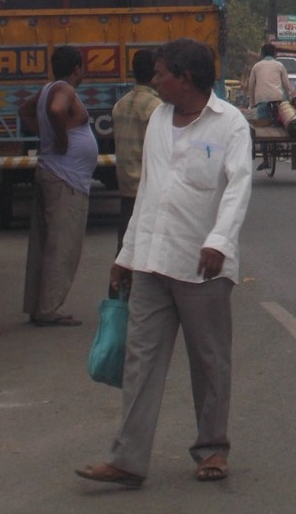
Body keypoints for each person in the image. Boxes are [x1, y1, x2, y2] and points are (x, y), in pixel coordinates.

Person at [76, 38, 253, 490]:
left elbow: (238, 188)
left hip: (203, 266)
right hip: (153, 262)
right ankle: (128, 460)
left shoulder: (229, 124)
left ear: (185, 78)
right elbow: (150, 194)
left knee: (209, 361)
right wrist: (126, 256)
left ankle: (212, 448)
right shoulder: (158, 117)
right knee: (140, 362)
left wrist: (219, 241)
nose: (154, 81)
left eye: (160, 74)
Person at [22, 45, 98, 327]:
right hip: (65, 178)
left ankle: (38, 305)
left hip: (53, 172)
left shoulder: (47, 88)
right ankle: (49, 309)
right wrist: (61, 138)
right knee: (62, 246)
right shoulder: (64, 90)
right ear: (77, 67)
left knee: (45, 242)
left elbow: (25, 111)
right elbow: (56, 110)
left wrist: (46, 133)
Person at [111, 49, 161, 256]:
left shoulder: (119, 105)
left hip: (126, 187)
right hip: (147, 190)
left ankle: (117, 288)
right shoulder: (156, 108)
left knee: (124, 248)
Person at [242, 42, 293, 171]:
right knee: (279, 124)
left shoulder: (257, 66)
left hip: (262, 100)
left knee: (263, 129)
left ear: (262, 54)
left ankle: (265, 159)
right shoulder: (279, 65)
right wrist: (290, 98)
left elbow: (252, 86)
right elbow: (287, 85)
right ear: (274, 54)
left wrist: (252, 102)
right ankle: (278, 144)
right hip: (277, 99)